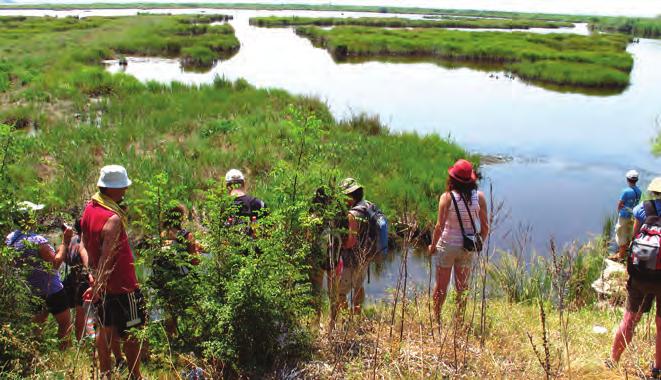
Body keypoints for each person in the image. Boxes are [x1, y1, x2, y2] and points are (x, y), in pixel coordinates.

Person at [80, 165, 145, 380]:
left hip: (101, 285)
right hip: (123, 286)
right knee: (132, 332)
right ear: (113, 189)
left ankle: (106, 374)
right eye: (123, 187)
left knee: (104, 329)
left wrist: (92, 276)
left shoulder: (90, 208)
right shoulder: (113, 219)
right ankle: (135, 375)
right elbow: (107, 258)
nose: (125, 190)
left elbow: (83, 245)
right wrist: (97, 284)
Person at [609, 177, 661, 378]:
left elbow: (635, 238)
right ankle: (657, 369)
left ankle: (613, 361)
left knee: (629, 319)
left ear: (653, 192)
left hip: (640, 275)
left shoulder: (642, 209)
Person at [427, 159, 489, 321]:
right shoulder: (480, 198)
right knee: (463, 287)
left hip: (447, 246)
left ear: (453, 179)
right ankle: (459, 322)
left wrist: (433, 246)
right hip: (468, 247)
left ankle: (436, 319)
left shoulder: (447, 198)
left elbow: (439, 226)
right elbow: (485, 228)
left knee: (441, 287)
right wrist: (477, 243)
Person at [7, 201, 72, 349]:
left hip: (29, 290)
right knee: (65, 324)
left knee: (36, 327)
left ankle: (33, 356)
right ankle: (64, 355)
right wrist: (65, 242)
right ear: (29, 219)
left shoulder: (11, 239)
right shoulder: (37, 241)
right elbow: (55, 264)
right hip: (51, 290)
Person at [151, 203, 201, 335]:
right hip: (182, 279)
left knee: (169, 309)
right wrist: (197, 251)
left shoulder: (160, 235)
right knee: (192, 307)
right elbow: (194, 261)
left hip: (164, 280)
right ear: (181, 217)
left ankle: (170, 338)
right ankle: (191, 336)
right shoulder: (186, 235)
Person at [329, 178, 373, 323]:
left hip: (351, 260)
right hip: (365, 255)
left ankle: (348, 320)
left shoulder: (352, 214)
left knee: (340, 293)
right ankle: (357, 316)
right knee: (358, 286)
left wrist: (339, 245)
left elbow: (350, 242)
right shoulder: (367, 206)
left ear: (350, 195)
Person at [62, 218, 91, 342]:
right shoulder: (85, 243)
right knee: (89, 317)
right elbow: (89, 265)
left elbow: (65, 259)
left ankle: (81, 343)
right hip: (86, 282)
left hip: (74, 280)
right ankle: (90, 344)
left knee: (80, 316)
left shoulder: (73, 240)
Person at [610, 170, 642, 261]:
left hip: (624, 216)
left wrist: (618, 211)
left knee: (621, 233)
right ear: (637, 180)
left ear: (627, 179)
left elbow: (620, 204)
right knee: (629, 232)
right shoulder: (639, 191)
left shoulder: (626, 191)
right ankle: (626, 249)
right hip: (633, 216)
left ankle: (620, 255)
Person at [224, 169, 267, 237]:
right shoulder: (259, 204)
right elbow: (269, 232)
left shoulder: (222, 206)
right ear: (244, 183)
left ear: (227, 186)